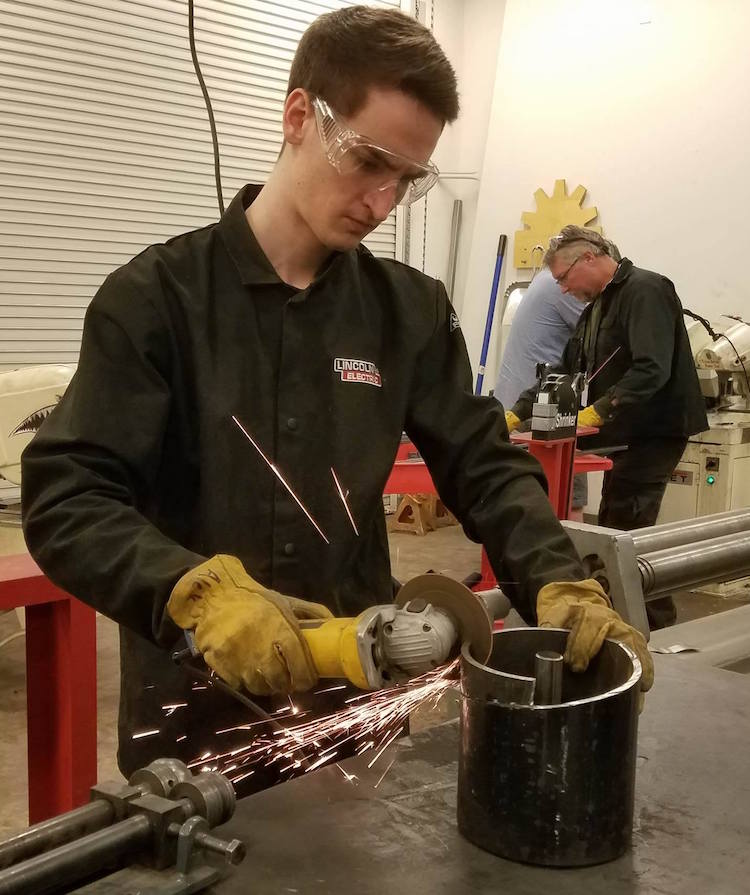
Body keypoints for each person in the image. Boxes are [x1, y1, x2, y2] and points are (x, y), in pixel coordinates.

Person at [21, 7, 652, 788]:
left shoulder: (407, 311)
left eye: (407, 180)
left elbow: (484, 464)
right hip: (192, 721)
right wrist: (193, 594)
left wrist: (556, 577)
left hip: (359, 709)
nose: (382, 201)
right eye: (367, 161)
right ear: (298, 116)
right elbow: (69, 497)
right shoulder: (156, 300)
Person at [505, 225, 708, 628]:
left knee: (627, 529)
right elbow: (564, 369)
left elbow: (652, 368)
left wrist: (598, 410)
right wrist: (517, 412)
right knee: (616, 527)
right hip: (625, 435)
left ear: (589, 259)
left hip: (653, 431)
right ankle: (643, 621)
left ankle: (656, 630)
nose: (562, 289)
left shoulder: (646, 290)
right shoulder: (597, 305)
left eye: (563, 278)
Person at [494, 267, 588, 516]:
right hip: (542, 407)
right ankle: (568, 552)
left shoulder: (543, 280)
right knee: (568, 496)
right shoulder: (565, 287)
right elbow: (598, 331)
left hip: (516, 401)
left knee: (522, 493)